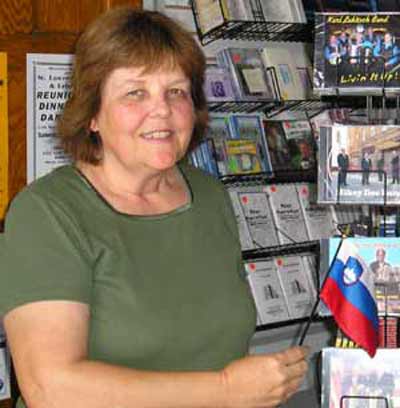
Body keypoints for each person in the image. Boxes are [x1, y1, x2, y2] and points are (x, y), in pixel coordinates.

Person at [0, 7, 308, 408]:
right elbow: (51, 388)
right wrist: (227, 390)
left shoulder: (209, 196)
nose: (161, 109)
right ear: (92, 113)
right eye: (135, 92)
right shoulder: (47, 212)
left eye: (176, 91)